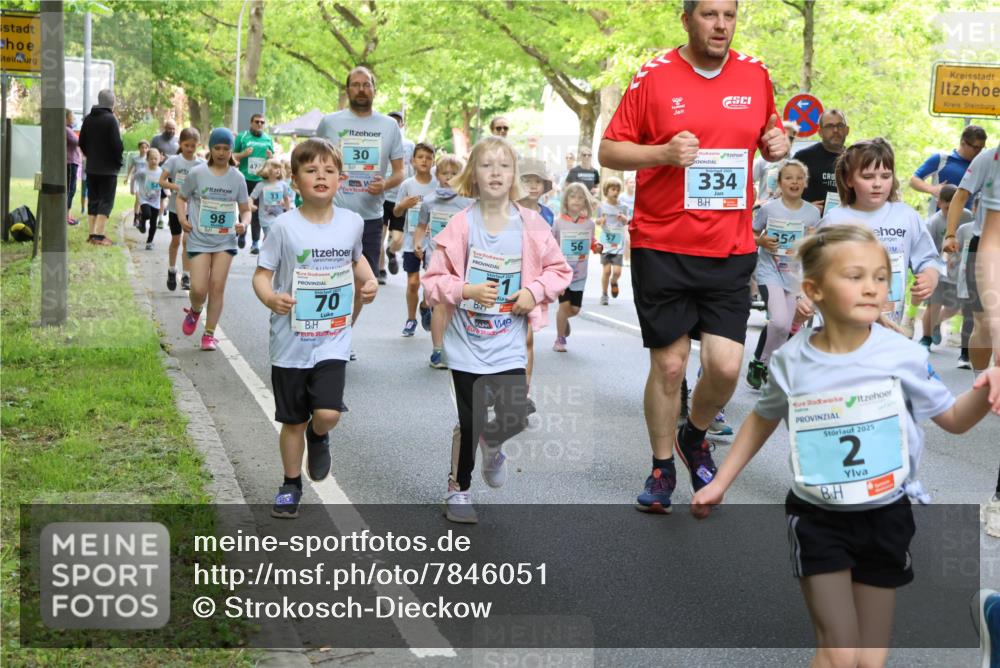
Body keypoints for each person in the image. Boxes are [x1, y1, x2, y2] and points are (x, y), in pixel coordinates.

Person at [692, 223, 1000, 668]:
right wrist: (721, 482)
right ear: (814, 290)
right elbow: (762, 418)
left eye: (880, 277)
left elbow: (953, 420)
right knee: (838, 653)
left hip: (887, 514)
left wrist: (985, 387)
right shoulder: (791, 360)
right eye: (855, 277)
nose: (872, 288)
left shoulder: (903, 354)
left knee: (868, 661)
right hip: (818, 517)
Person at [599, 0, 789, 513]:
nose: (721, 25)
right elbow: (610, 150)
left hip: (729, 246)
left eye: (729, 15)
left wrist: (776, 143)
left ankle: (694, 434)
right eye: (709, 15)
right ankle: (662, 467)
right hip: (662, 243)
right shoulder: (654, 75)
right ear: (687, 20)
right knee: (670, 365)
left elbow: (770, 135)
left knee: (725, 368)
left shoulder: (755, 74)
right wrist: (662, 153)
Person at [421, 136, 571, 524]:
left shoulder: (532, 224)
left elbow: (560, 271)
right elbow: (433, 281)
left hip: (508, 340)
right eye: (487, 165)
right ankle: (459, 488)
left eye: (504, 165)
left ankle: (492, 443)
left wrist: (533, 291)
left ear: (514, 175)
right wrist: (465, 290)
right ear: (473, 174)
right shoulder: (461, 224)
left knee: (516, 414)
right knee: (470, 420)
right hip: (467, 342)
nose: (496, 172)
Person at [252, 138, 378, 519]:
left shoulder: (352, 223)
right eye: (311, 170)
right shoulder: (283, 227)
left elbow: (357, 261)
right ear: (295, 180)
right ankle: (290, 485)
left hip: (332, 340)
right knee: (293, 420)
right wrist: (271, 298)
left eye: (329, 170)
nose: (321, 176)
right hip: (290, 343)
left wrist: (369, 280)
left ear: (341, 179)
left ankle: (319, 435)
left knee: (327, 413)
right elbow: (262, 275)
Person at [315, 66, 405, 338]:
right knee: (327, 279)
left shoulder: (389, 126)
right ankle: (323, 332)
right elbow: (312, 162)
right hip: (331, 215)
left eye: (367, 84)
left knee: (361, 284)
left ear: (374, 90)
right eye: (356, 84)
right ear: (347, 90)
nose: (361, 89)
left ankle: (341, 335)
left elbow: (400, 172)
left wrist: (384, 184)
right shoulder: (330, 123)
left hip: (370, 218)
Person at [820, 138, 941, 326]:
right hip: (843, 326)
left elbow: (928, 258)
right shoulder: (834, 220)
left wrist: (930, 276)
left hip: (889, 326)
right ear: (849, 179)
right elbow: (811, 268)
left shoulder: (906, 216)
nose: (877, 184)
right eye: (868, 177)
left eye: (885, 176)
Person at [745, 159, 820, 389]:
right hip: (770, 270)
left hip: (794, 275)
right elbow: (751, 234)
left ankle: (766, 365)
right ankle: (762, 363)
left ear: (805, 183)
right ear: (779, 182)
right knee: (778, 321)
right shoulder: (768, 209)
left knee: (786, 327)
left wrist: (811, 239)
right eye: (789, 178)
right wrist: (762, 241)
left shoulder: (812, 213)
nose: (794, 182)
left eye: (799, 178)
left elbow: (814, 247)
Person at [176, 128, 250, 351]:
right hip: (199, 238)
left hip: (225, 241)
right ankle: (195, 309)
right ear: (210, 149)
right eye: (217, 148)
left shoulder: (237, 178)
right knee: (199, 289)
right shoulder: (197, 173)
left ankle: (209, 334)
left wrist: (244, 223)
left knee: (217, 286)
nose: (221, 152)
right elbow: (181, 197)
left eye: (226, 148)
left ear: (231, 151)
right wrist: (182, 218)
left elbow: (246, 209)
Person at [944, 140, 1000, 375]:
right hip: (985, 247)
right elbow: (961, 195)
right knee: (985, 324)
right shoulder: (989, 159)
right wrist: (950, 234)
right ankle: (980, 381)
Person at [413, 154, 471, 369]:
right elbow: (421, 226)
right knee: (440, 303)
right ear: (437, 175)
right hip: (435, 257)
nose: (449, 177)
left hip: (460, 259)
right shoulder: (429, 201)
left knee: (454, 304)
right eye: (445, 173)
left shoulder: (468, 202)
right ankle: (438, 350)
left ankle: (454, 345)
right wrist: (417, 242)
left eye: (454, 173)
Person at [392, 142, 438, 337]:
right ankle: (411, 319)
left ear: (433, 161)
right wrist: (403, 204)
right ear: (412, 161)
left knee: (431, 282)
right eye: (420, 157)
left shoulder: (438, 184)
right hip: (411, 241)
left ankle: (425, 305)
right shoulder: (407, 185)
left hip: (433, 242)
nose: (424, 161)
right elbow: (396, 212)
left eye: (428, 158)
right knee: (412, 282)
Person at [919, 184, 973, 349]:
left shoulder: (967, 217)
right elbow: (926, 248)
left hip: (958, 272)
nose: (951, 212)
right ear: (939, 203)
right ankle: (926, 338)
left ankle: (938, 322)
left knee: (954, 307)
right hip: (938, 270)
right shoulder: (934, 222)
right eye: (947, 207)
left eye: (955, 207)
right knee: (934, 304)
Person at [552, 183, 597, 353]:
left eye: (580, 198)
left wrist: (597, 246)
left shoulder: (589, 224)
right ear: (565, 200)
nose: (576, 200)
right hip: (561, 273)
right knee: (564, 306)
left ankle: (562, 319)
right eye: (572, 197)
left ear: (585, 201)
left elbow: (592, 242)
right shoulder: (558, 223)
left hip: (579, 274)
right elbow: (550, 245)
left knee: (575, 309)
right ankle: (559, 339)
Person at [78, 89, 124, 246]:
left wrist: (90, 156)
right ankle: (99, 236)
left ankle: (92, 235)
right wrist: (118, 162)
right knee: (106, 201)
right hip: (108, 170)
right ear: (112, 102)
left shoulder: (88, 118)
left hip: (92, 168)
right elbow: (117, 145)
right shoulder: (111, 119)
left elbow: (81, 142)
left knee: (93, 200)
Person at [160, 128, 203, 292]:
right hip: (174, 208)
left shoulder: (201, 164)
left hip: (192, 208)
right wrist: (177, 187)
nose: (190, 149)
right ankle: (172, 270)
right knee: (176, 241)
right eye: (186, 145)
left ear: (198, 145)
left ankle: (186, 275)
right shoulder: (174, 161)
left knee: (187, 241)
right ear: (180, 144)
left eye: (193, 146)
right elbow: (161, 181)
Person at [909, 124, 987, 215]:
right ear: (963, 143)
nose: (979, 151)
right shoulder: (941, 158)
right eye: (976, 148)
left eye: (982, 148)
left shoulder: (981, 165)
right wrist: (933, 189)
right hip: (938, 220)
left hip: (968, 220)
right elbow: (913, 180)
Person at [233, 113, 276, 254]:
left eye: (262, 122)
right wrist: (243, 154)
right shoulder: (242, 137)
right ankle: (242, 233)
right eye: (257, 122)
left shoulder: (268, 138)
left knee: (257, 211)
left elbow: (273, 160)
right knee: (244, 207)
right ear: (251, 123)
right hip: (245, 178)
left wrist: (271, 157)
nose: (259, 124)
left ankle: (255, 242)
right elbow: (232, 155)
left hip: (261, 181)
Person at [795, 109, 850, 215]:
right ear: (820, 132)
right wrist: (804, 207)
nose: (835, 130)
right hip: (810, 221)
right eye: (829, 126)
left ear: (847, 130)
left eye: (840, 125)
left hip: (845, 221)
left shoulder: (855, 159)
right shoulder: (802, 158)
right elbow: (784, 193)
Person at [382, 110, 415, 281]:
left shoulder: (409, 145)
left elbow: (414, 168)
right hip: (382, 196)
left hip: (400, 198)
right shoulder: (380, 141)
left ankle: (391, 252)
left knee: (397, 239)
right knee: (379, 237)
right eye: (391, 121)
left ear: (402, 124)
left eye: (398, 121)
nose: (395, 124)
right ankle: (380, 270)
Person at [596, 176, 629, 305]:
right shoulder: (602, 206)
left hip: (618, 243)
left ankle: (614, 281)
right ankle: (604, 295)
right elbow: (597, 221)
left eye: (617, 190)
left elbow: (627, 221)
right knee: (606, 271)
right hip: (605, 242)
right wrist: (601, 221)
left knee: (617, 271)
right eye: (613, 189)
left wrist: (623, 219)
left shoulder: (623, 207)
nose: (615, 192)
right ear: (606, 191)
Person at [752, 120, 799, 207]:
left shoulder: (796, 161)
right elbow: (749, 180)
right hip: (765, 210)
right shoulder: (764, 159)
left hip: (788, 210)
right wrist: (756, 201)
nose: (787, 141)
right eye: (783, 137)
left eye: (791, 138)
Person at [249, 158, 294, 243]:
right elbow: (251, 197)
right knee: (271, 237)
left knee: (274, 238)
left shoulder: (283, 184)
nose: (278, 170)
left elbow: (286, 198)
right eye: (275, 167)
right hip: (265, 218)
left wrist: (288, 212)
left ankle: (267, 247)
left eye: (279, 168)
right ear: (267, 169)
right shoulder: (261, 185)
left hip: (279, 217)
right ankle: (266, 247)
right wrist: (251, 205)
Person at [151, 119, 180, 227]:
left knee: (175, 195)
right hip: (160, 171)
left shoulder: (178, 140)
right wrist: (158, 158)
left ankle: (172, 218)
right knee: (160, 195)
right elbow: (151, 153)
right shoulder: (156, 139)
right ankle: (159, 218)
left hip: (174, 172)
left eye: (173, 129)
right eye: (169, 128)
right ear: (165, 128)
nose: (171, 131)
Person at [135, 148, 163, 249]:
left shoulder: (161, 171)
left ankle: (149, 242)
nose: (153, 161)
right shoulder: (143, 171)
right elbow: (135, 179)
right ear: (147, 159)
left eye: (156, 159)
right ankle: (142, 221)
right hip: (144, 198)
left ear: (159, 159)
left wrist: (168, 191)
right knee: (147, 214)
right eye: (151, 159)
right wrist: (134, 190)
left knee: (153, 223)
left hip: (156, 200)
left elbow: (165, 181)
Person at [125, 140, 150, 229]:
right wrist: (127, 177)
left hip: (145, 181)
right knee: (138, 199)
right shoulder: (135, 158)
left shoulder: (149, 159)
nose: (144, 149)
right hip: (136, 180)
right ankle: (136, 217)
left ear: (148, 149)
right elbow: (131, 168)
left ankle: (139, 216)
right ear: (139, 148)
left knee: (142, 200)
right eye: (142, 147)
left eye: (146, 148)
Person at [65, 109, 81, 226]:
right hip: (70, 163)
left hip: (72, 163)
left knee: (71, 189)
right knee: (70, 189)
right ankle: (65, 216)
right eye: (72, 116)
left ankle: (67, 214)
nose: (74, 119)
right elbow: (78, 141)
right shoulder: (66, 130)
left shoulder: (69, 129)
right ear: (66, 118)